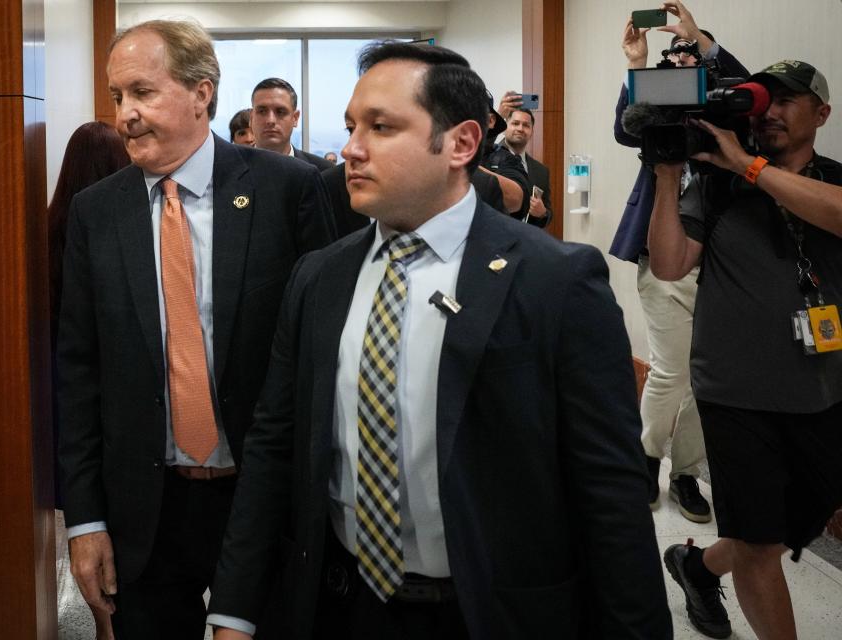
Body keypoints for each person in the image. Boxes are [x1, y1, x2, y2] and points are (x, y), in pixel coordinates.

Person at [207, 40, 672, 640]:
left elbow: (611, 491)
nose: (350, 148)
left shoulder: (557, 281)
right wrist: (235, 609)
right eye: (352, 126)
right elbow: (274, 446)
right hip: (338, 607)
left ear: (461, 144)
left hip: (487, 614)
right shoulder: (319, 276)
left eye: (381, 127)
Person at [57, 19, 335, 638]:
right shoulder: (96, 212)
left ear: (202, 91)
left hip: (263, 496)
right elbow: (78, 370)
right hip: (147, 507)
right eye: (118, 96)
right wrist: (84, 521)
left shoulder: (288, 190)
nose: (125, 113)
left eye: (143, 93)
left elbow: (326, 352)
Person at [648, 60, 842, 640]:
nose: (770, 112)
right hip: (734, 393)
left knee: (791, 525)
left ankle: (696, 567)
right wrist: (664, 175)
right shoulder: (717, 184)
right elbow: (668, 264)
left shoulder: (830, 178)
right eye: (764, 100)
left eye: (786, 101)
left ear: (822, 114)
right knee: (759, 543)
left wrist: (749, 165)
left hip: (824, 388)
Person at [611, 0, 749, 524]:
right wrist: (639, 65)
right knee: (671, 371)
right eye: (678, 56)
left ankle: (687, 472)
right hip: (661, 253)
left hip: (723, 263)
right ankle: (646, 460)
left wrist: (705, 46)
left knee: (704, 375)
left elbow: (747, 91)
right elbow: (626, 130)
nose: (682, 58)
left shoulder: (727, 110)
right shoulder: (655, 111)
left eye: (692, 53)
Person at [48, 120, 130, 640]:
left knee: (83, 517)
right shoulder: (117, 227)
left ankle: (101, 620)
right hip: (117, 389)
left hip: (60, 387)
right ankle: (115, 613)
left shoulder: (48, 227)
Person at [488, 97, 552, 227]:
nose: (520, 128)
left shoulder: (541, 171)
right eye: (515, 123)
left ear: (532, 131)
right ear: (505, 127)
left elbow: (548, 213)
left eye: (526, 125)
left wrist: (543, 213)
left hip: (527, 241)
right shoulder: (487, 156)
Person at [251, 77, 334, 171]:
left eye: (280, 112)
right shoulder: (231, 169)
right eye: (262, 111)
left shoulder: (323, 171)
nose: (271, 120)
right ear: (251, 118)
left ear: (295, 118)